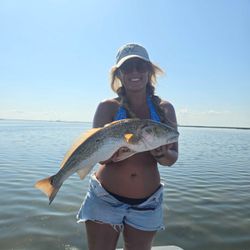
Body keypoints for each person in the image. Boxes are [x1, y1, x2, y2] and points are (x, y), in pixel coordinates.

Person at [77, 43, 179, 250]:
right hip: (104, 197)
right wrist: (111, 155)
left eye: (140, 66)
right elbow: (100, 157)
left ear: (149, 71)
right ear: (119, 74)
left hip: (147, 203)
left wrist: (162, 154)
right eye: (127, 67)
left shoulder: (165, 109)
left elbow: (172, 158)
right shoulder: (107, 107)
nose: (134, 72)